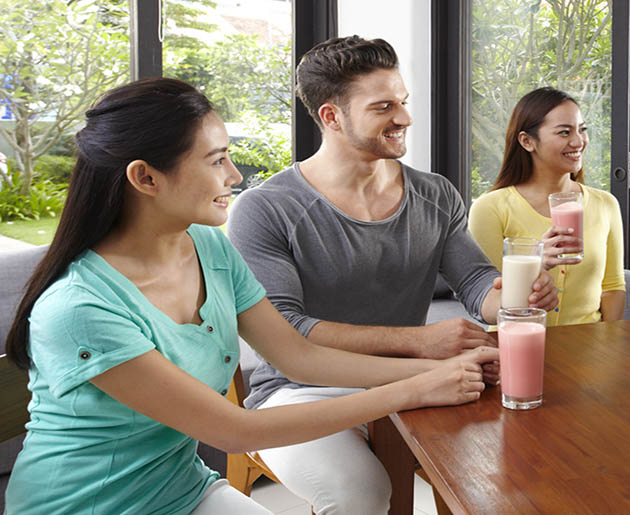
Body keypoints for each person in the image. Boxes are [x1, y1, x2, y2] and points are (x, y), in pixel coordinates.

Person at [2, 78, 495, 514]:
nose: (235, 176)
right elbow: (235, 431)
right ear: (145, 177)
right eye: (217, 160)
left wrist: (441, 369)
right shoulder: (78, 309)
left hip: (182, 491)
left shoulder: (208, 246)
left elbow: (299, 357)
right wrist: (415, 385)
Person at [227, 36, 558, 512]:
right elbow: (286, 330)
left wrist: (511, 295)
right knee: (359, 493)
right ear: (331, 117)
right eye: (383, 107)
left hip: (416, 376)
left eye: (403, 102)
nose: (403, 118)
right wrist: (421, 342)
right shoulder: (266, 208)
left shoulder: (435, 194)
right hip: (301, 391)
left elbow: (475, 282)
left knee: (518, 462)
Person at [469, 87, 625, 326]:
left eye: (582, 130)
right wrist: (536, 261)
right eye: (564, 132)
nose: (578, 141)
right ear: (527, 141)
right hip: (516, 347)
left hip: (590, 350)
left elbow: (613, 288)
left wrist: (608, 341)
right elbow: (489, 296)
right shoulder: (490, 208)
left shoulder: (606, 205)